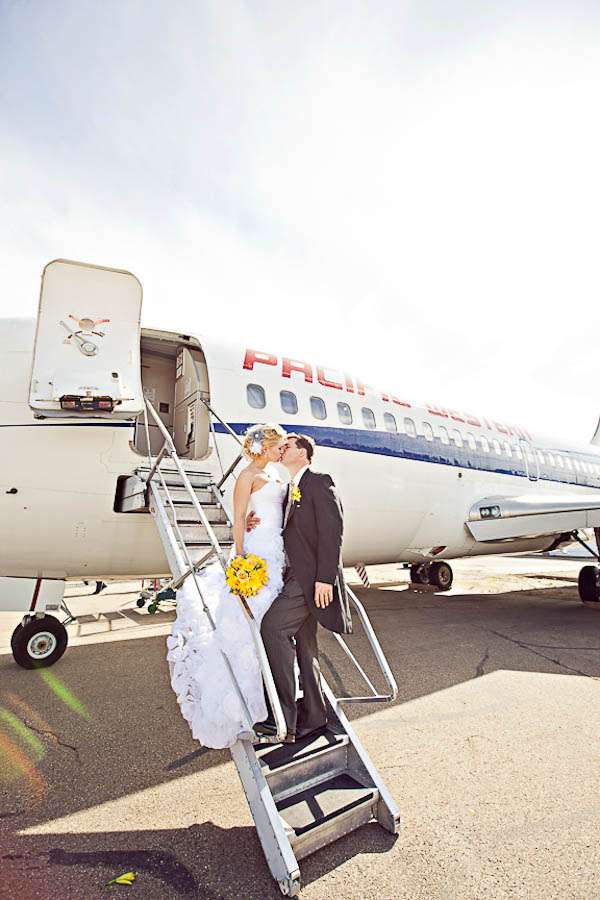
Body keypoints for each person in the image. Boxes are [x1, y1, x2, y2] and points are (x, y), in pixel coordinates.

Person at [166, 423, 287, 749]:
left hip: (276, 550)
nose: (282, 451)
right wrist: (240, 558)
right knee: (250, 624)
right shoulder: (246, 476)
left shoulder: (277, 474)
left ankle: (277, 692)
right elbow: (238, 517)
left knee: (273, 620)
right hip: (256, 549)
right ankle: (252, 702)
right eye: (278, 447)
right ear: (265, 447)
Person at [253, 433, 352, 743]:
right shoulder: (289, 489)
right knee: (306, 644)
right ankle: (314, 715)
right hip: (293, 575)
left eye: (290, 446)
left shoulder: (319, 482)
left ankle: (283, 717)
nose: (283, 450)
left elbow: (332, 532)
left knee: (272, 628)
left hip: (309, 579)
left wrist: (325, 578)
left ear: (305, 453)